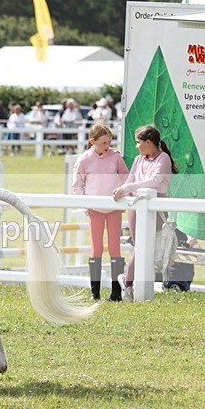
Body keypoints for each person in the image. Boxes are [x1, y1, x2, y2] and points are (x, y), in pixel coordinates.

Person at [112, 125, 179, 302]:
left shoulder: (163, 158)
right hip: (135, 207)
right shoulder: (138, 159)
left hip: (154, 208)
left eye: (138, 142)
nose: (136, 146)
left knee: (145, 246)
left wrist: (127, 188)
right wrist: (126, 189)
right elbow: (131, 179)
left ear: (148, 142)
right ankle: (129, 284)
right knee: (140, 246)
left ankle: (128, 282)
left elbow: (155, 181)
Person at [72, 123, 129, 301]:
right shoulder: (84, 160)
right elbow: (77, 186)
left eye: (109, 142)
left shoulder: (116, 157)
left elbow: (126, 177)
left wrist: (123, 192)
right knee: (96, 248)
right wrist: (85, 205)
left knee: (115, 248)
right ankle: (94, 293)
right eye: (104, 142)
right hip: (94, 209)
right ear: (92, 141)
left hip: (114, 208)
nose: (107, 146)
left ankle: (116, 292)